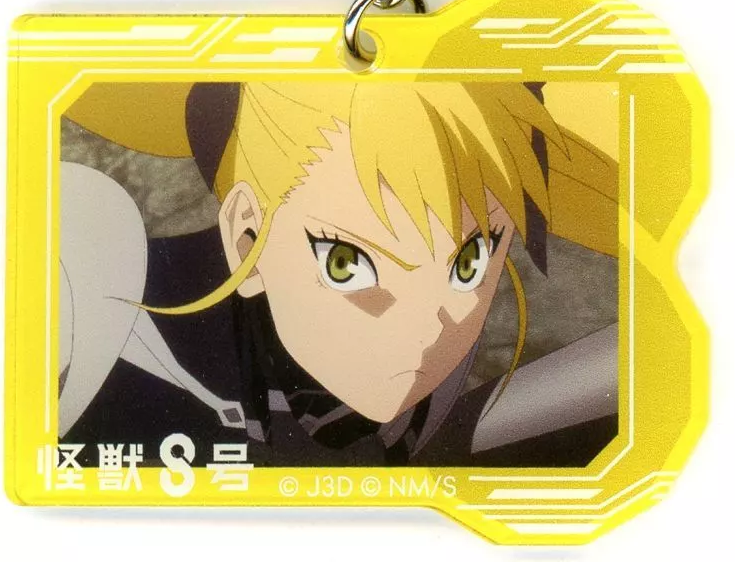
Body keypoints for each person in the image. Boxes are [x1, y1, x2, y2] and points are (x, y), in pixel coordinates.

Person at [60, 80, 619, 466]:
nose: (429, 328)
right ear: (247, 236)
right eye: (347, 264)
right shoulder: (96, 325)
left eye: (469, 264)